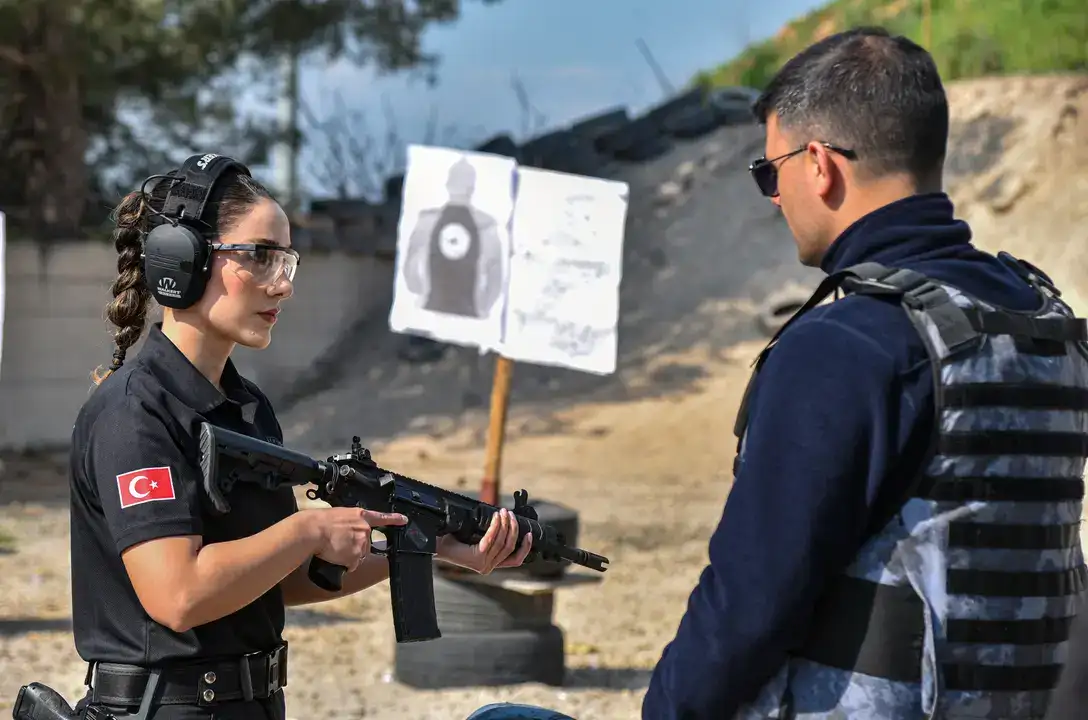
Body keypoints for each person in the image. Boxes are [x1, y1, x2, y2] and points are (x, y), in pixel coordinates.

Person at [642, 27, 1088, 719]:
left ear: (818, 165)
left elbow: (747, 608)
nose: (772, 196)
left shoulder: (846, 345)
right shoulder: (1046, 325)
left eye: (770, 172)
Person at [67, 153, 532, 720]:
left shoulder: (245, 409)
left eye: (286, 261)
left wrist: (430, 546)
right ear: (181, 262)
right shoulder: (134, 414)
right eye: (258, 257)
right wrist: (309, 528)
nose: (282, 285)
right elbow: (179, 595)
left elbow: (281, 581)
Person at [402, 156, 505, 319]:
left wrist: (417, 290)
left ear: (448, 184)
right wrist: (484, 307)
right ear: (472, 188)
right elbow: (496, 276)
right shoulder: (486, 225)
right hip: (468, 312)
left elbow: (411, 262)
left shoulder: (427, 220)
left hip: (433, 306)